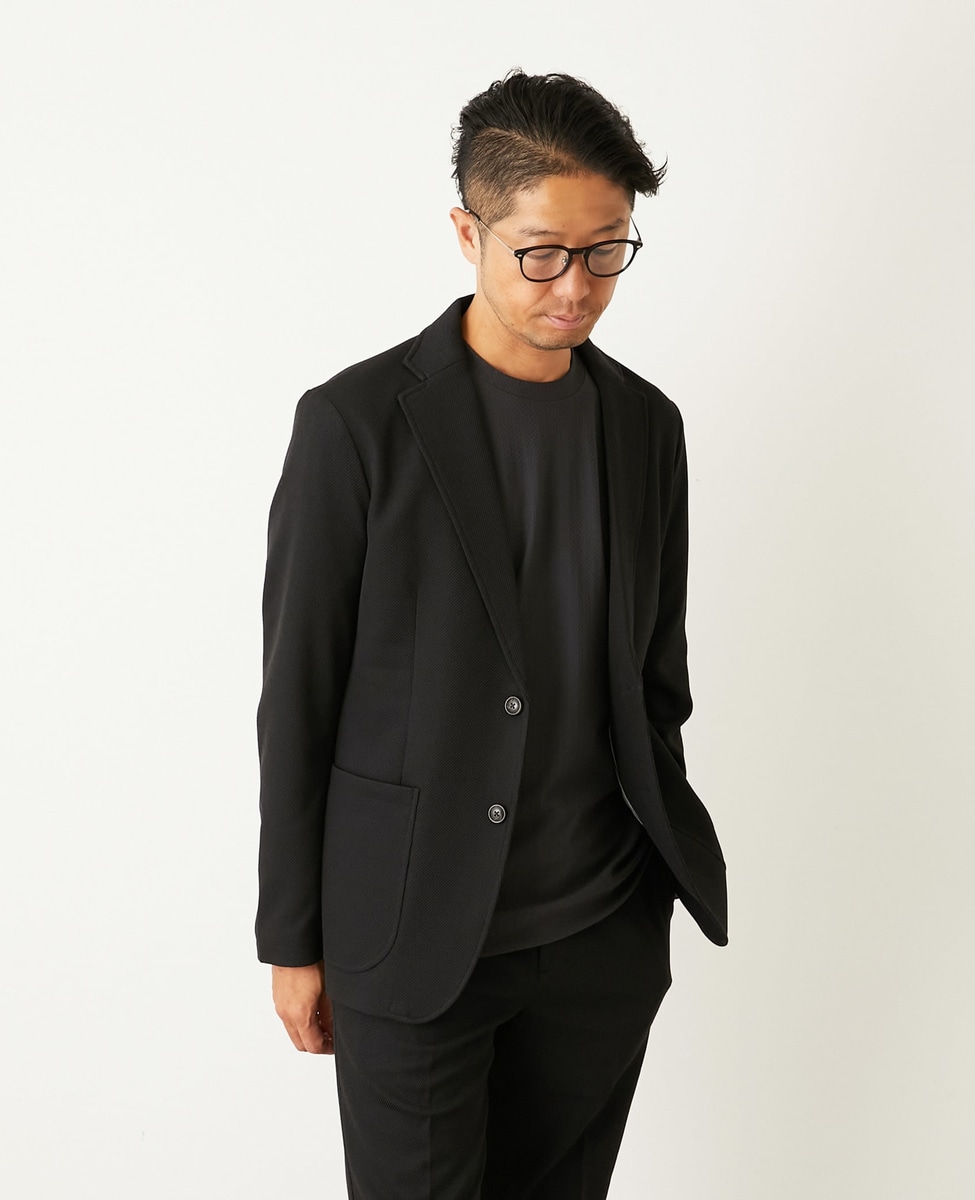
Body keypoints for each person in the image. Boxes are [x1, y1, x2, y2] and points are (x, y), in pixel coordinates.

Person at [256, 69, 727, 1199]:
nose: (578, 286)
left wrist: (646, 894)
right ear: (468, 233)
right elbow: (299, 694)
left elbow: (654, 677)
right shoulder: (356, 425)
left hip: (599, 936)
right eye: (542, 253)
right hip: (411, 938)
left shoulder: (645, 427)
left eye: (607, 250)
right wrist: (292, 939)